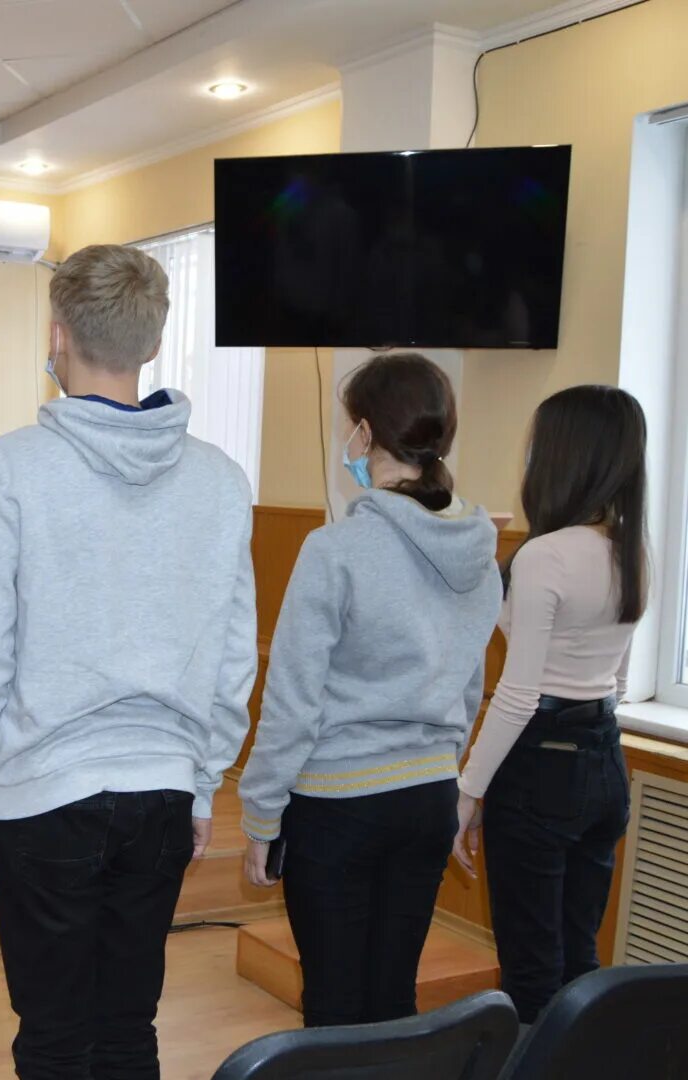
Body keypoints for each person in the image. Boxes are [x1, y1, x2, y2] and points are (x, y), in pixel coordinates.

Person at [0, 244, 257, 1079]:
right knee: (127, 1026)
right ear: (151, 343)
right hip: (162, 791)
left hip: (44, 793)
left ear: (57, 336)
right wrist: (203, 780)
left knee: (53, 1035)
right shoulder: (222, 481)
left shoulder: (10, 467)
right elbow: (234, 659)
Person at [239, 353, 500, 1028]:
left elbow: (294, 698)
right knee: (392, 1001)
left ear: (364, 434)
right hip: (427, 800)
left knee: (332, 1005)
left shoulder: (335, 550)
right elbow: (469, 689)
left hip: (338, 806)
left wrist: (262, 815)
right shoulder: (479, 554)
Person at [452, 386, 645, 1023]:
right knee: (577, 960)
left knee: (531, 972)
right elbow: (610, 679)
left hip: (541, 767)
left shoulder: (546, 555)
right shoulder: (631, 549)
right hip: (604, 763)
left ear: (562, 456)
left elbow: (518, 694)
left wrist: (468, 790)